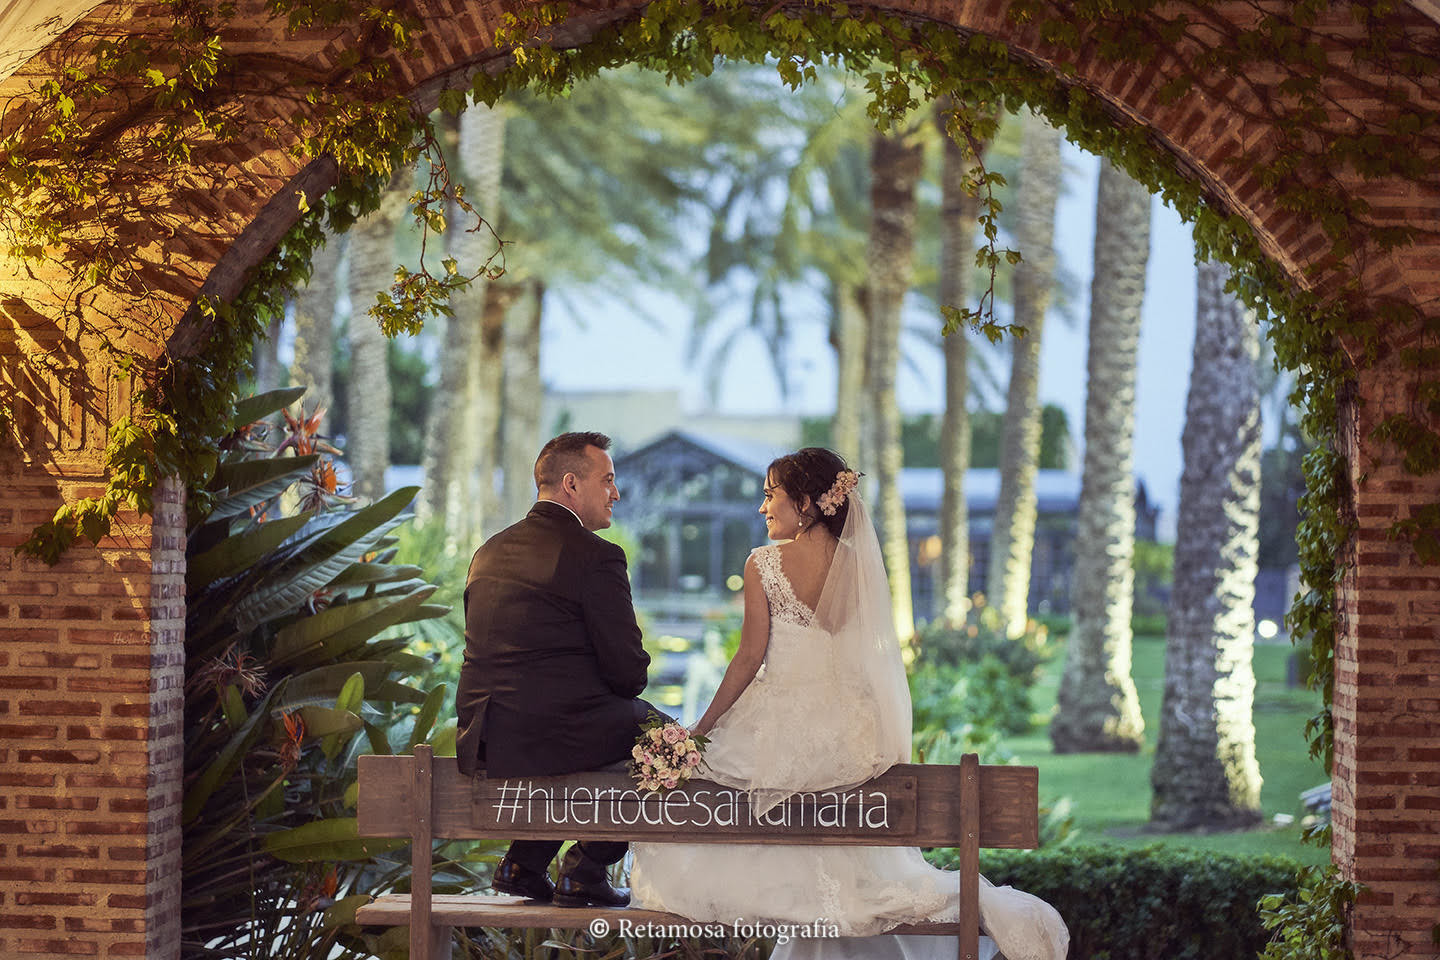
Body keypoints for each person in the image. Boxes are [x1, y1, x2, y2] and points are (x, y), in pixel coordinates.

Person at [630, 448, 1068, 960]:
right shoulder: (861, 564)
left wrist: (698, 731)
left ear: (809, 502)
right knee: (843, 840)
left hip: (779, 727)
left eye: (771, 495)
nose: (762, 507)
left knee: (715, 789)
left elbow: (748, 659)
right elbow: (868, 664)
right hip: (852, 733)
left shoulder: (763, 564)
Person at [455, 431, 657, 908]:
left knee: (590, 728)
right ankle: (588, 866)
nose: (616, 492)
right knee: (667, 742)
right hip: (550, 733)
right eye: (607, 480)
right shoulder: (596, 556)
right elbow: (629, 675)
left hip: (485, 736)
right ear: (571, 483)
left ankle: (524, 863)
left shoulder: (489, 550)